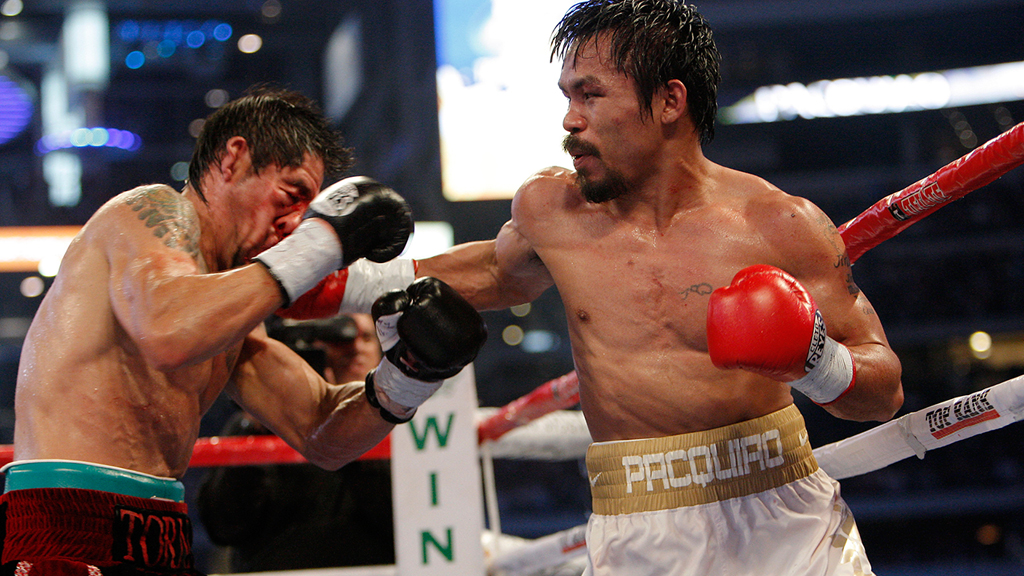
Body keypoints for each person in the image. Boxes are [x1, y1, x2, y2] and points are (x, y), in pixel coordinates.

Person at [285, 2, 903, 574]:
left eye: (591, 94)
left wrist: (814, 359)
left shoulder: (780, 224)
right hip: (636, 525)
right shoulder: (552, 210)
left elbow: (884, 392)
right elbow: (495, 272)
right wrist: (322, 286)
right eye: (567, 95)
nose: (570, 119)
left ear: (669, 101)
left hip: (784, 517)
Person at [3, 86, 486, 575]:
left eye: (309, 213)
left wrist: (405, 378)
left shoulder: (226, 315)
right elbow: (169, 333)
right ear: (233, 158)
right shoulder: (151, 212)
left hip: (162, 531)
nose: (296, 224)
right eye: (290, 195)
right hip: (67, 522)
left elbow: (322, 432)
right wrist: (322, 243)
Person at [197, 314, 396, 571]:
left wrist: (355, 425)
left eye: (367, 337)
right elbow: (222, 527)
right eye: (341, 338)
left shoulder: (410, 429)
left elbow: (407, 518)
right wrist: (258, 425)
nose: (355, 347)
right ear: (316, 347)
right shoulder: (262, 421)